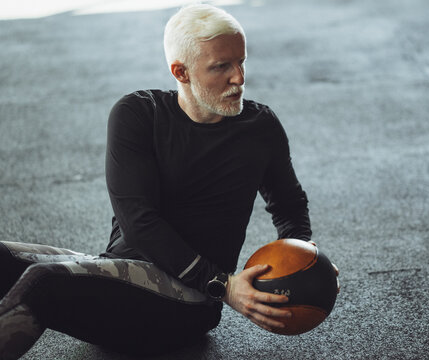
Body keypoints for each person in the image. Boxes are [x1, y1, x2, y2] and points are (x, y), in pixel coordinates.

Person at [0, 4, 338, 359]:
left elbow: (288, 204)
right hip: (118, 273)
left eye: (241, 61)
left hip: (186, 303)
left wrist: (303, 264)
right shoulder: (138, 115)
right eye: (221, 67)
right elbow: (138, 221)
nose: (238, 77)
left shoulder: (260, 128)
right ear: (181, 72)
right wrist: (226, 285)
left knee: (44, 283)